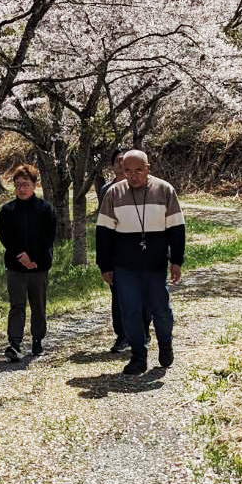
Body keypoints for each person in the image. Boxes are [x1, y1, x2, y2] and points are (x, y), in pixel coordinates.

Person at [95, 149, 185, 375]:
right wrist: (105, 265)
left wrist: (176, 260)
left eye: (138, 171)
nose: (133, 176)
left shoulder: (164, 190)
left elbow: (176, 227)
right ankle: (138, 356)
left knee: (161, 310)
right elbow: (103, 232)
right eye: (128, 171)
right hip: (125, 266)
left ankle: (165, 345)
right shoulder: (114, 193)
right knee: (130, 311)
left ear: (148, 168)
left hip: (155, 264)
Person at [0, 164, 57, 361]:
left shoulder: (46, 209)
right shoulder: (7, 210)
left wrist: (32, 257)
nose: (21, 188)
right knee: (17, 305)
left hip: (39, 266)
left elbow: (48, 238)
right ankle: (15, 342)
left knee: (38, 304)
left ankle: (37, 340)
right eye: (18, 185)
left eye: (25, 184)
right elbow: (6, 237)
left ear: (34, 185)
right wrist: (22, 257)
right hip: (15, 266)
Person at [97, 149, 149, 354]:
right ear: (113, 166)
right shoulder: (107, 190)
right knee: (118, 295)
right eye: (118, 161)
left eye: (124, 161)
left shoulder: (145, 187)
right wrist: (104, 260)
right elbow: (104, 224)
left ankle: (143, 331)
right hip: (116, 251)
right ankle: (122, 336)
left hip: (142, 250)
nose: (121, 164)